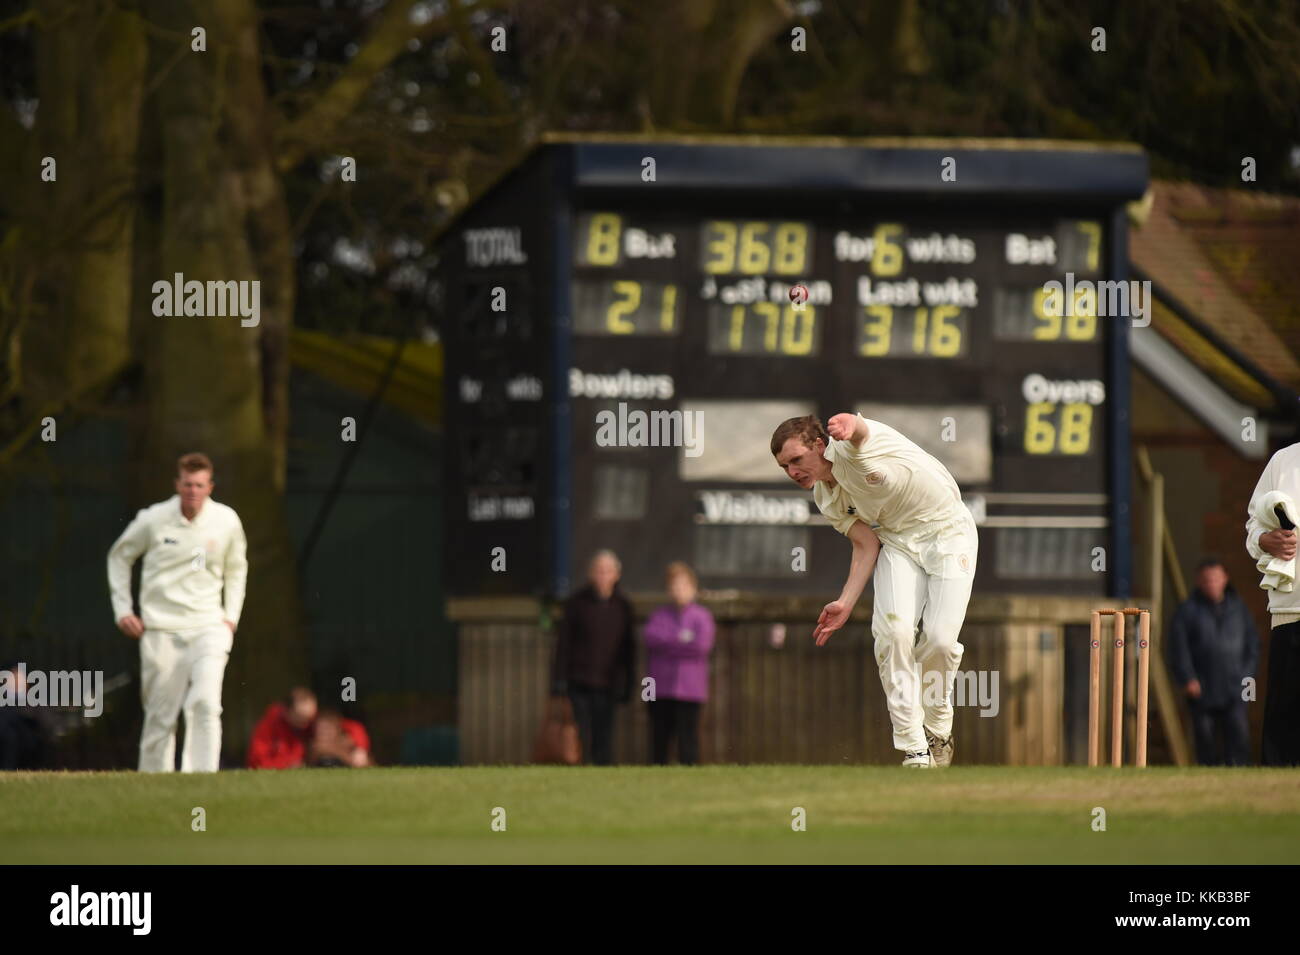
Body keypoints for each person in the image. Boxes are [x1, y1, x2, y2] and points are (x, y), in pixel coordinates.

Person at [772, 413, 978, 768]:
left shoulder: (853, 450)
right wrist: (846, 603)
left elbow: (860, 432)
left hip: (949, 531)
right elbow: (866, 544)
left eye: (796, 460)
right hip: (897, 541)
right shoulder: (826, 497)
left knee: (941, 641)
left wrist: (852, 424)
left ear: (819, 446)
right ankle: (915, 747)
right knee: (893, 633)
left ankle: (938, 727)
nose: (792, 472)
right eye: (784, 466)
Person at [107, 452, 247, 773]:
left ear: (210, 486)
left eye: (199, 485)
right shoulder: (154, 519)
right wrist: (123, 609)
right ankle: (155, 785)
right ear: (177, 484)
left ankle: (201, 780)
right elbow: (119, 557)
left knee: (206, 704)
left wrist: (230, 618)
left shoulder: (226, 521)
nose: (192, 491)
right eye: (187, 484)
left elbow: (237, 569)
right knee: (160, 714)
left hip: (208, 626)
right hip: (161, 629)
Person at [1167, 558, 1258, 765]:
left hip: (1234, 685)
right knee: (1205, 738)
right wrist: (1187, 678)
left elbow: (1252, 645)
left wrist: (1247, 675)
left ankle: (1239, 775)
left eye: (1216, 579)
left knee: (1238, 736)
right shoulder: (1187, 611)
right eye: (1207, 580)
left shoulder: (1239, 609)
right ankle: (1208, 774)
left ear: (1225, 578)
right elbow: (1178, 648)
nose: (1212, 584)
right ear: (1199, 581)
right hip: (1202, 685)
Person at [550, 550, 636, 766]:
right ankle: (580, 770)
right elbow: (563, 644)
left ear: (617, 574)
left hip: (609, 684)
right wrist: (558, 681)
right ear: (590, 574)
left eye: (608, 571)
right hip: (579, 681)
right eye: (599, 571)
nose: (603, 576)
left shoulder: (623, 606)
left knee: (604, 735)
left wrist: (630, 684)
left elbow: (629, 650)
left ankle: (602, 773)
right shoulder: (576, 604)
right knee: (581, 732)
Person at [1245, 446, 1300, 765]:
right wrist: (1268, 540)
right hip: (1290, 613)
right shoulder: (1283, 460)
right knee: (1283, 722)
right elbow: (1254, 527)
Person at [642, 562, 715, 765]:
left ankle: (690, 778)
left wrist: (669, 643)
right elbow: (650, 639)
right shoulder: (659, 616)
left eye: (683, 585)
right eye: (674, 585)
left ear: (693, 588)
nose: (678, 590)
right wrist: (681, 641)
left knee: (688, 739)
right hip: (660, 688)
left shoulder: (702, 617)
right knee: (659, 739)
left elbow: (701, 646)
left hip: (690, 690)